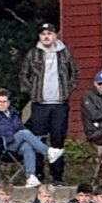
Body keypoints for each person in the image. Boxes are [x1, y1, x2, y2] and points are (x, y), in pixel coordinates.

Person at [20, 24, 73, 156]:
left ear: (55, 36)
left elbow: (75, 73)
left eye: (49, 34)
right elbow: (23, 75)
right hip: (39, 105)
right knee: (38, 138)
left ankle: (57, 175)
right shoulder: (32, 54)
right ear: (39, 37)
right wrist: (32, 91)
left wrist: (68, 89)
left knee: (58, 140)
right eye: (43, 34)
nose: (46, 37)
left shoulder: (65, 53)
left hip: (59, 105)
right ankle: (38, 173)